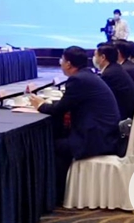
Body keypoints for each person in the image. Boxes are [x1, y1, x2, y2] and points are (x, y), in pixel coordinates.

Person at [29, 46, 120, 203]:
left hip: (96, 139)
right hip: (105, 133)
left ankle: (55, 194)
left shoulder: (78, 80)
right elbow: (68, 103)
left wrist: (40, 105)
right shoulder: (87, 76)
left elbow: (59, 109)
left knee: (49, 145)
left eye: (62, 60)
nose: (61, 63)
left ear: (69, 64)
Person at [94, 43, 134, 120]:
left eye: (95, 55)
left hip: (122, 116)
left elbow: (100, 99)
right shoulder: (116, 69)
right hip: (127, 112)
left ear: (103, 57)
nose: (94, 58)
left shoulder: (109, 74)